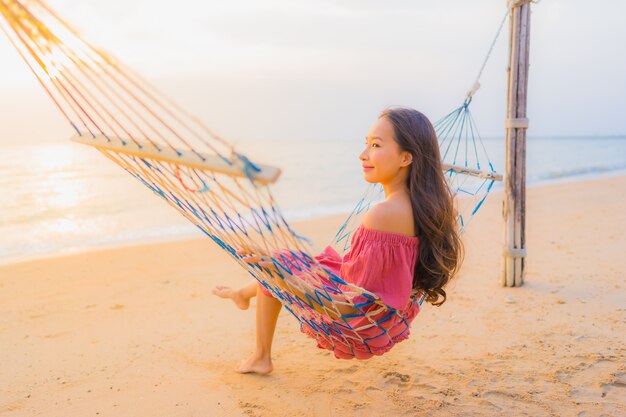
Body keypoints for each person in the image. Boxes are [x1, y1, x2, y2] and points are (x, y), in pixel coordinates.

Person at [212, 107, 463, 374]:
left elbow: (346, 308)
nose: (363, 155)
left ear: (405, 158)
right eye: (366, 144)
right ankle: (244, 296)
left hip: (362, 327)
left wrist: (280, 276)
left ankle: (261, 356)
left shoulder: (383, 214)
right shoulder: (428, 207)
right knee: (286, 260)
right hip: (387, 318)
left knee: (277, 267)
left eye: (376, 145)